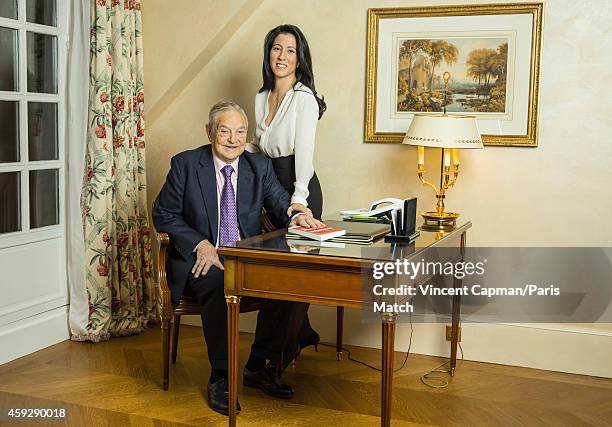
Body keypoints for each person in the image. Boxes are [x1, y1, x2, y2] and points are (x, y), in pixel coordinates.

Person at [152, 101, 322, 416]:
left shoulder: (258, 166)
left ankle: (259, 365)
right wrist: (199, 243)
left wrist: (297, 215)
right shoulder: (187, 165)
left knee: (291, 284)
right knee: (220, 281)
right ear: (209, 132)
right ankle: (222, 375)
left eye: (240, 131)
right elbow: (163, 213)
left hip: (246, 258)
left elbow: (280, 204)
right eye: (224, 131)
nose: (233, 139)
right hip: (205, 260)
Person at [248, 24, 327, 363]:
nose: (282, 56)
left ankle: (275, 356)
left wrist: (298, 201)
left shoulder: (304, 98)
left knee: (291, 274)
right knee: (279, 271)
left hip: (300, 186)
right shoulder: (261, 96)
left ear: (299, 59)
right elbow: (263, 146)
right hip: (270, 184)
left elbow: (304, 155)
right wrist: (234, 151)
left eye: (290, 50)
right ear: (269, 54)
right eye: (276, 48)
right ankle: (303, 332)